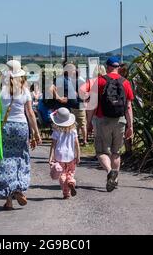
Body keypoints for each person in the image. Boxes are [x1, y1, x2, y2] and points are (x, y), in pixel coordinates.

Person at [0, 60, 42, 210]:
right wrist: (36, 133)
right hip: (22, 127)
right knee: (21, 157)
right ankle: (19, 187)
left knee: (4, 159)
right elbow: (30, 113)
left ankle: (8, 200)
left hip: (5, 127)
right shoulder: (24, 90)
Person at [86, 57, 134, 192]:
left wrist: (88, 123)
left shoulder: (99, 81)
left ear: (107, 67)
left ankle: (109, 172)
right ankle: (115, 179)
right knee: (116, 152)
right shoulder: (125, 82)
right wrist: (130, 126)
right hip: (120, 120)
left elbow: (92, 105)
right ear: (118, 67)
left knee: (101, 151)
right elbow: (129, 107)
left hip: (102, 120)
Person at [48, 108, 81, 199]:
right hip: (71, 156)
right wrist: (78, 155)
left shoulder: (56, 131)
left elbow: (53, 145)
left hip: (59, 156)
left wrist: (51, 157)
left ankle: (66, 193)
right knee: (70, 173)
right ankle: (71, 182)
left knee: (62, 175)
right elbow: (77, 144)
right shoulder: (73, 131)